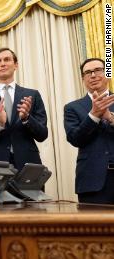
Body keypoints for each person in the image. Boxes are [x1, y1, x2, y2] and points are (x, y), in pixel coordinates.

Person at [0, 47, 48, 172]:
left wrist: (26, 119)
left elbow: (42, 135)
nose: (2, 63)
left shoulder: (32, 95)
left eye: (7, 60)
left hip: (28, 164)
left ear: (16, 65)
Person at [64, 58, 114, 204]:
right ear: (83, 79)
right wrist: (93, 116)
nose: (93, 75)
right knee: (94, 227)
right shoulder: (72, 107)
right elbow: (74, 138)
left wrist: (110, 117)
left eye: (98, 70)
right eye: (88, 72)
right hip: (92, 182)